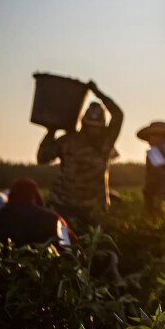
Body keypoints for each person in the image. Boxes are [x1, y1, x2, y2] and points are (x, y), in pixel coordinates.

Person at [37, 82, 123, 228]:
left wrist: (51, 131)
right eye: (92, 127)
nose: (93, 132)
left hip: (86, 208)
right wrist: (51, 131)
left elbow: (42, 158)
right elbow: (43, 158)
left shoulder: (102, 142)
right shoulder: (100, 142)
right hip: (64, 205)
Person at [0, 178, 74, 248]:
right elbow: (68, 245)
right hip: (44, 263)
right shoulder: (53, 218)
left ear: (11, 194)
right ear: (35, 195)